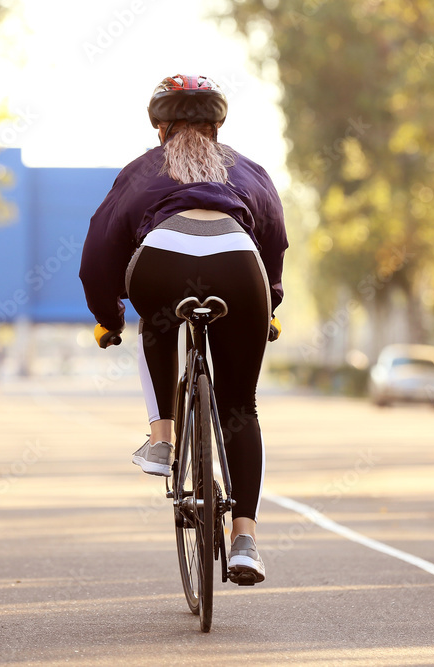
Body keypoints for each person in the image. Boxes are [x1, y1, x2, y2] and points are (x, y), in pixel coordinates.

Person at [79, 74, 287, 585]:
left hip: (162, 263)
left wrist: (109, 316)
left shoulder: (140, 170)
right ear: (217, 126)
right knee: (241, 406)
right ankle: (245, 542)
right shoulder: (250, 170)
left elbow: (98, 254)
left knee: (158, 321)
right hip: (240, 267)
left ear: (159, 127)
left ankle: (163, 441)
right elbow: (274, 240)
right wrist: (270, 305)